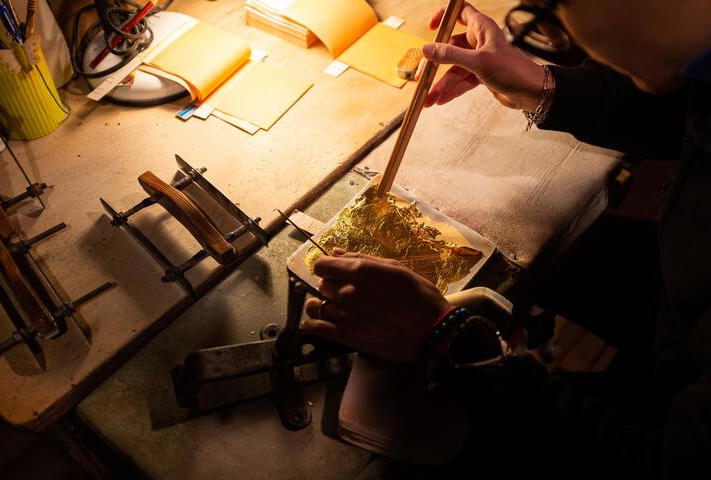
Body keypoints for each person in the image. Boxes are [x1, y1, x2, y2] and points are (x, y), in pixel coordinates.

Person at [300, 0, 711, 477]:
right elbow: (682, 103)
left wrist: (445, 342)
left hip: (664, 427)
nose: (557, 16)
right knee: (529, 248)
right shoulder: (694, 46)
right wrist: (542, 85)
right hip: (672, 290)